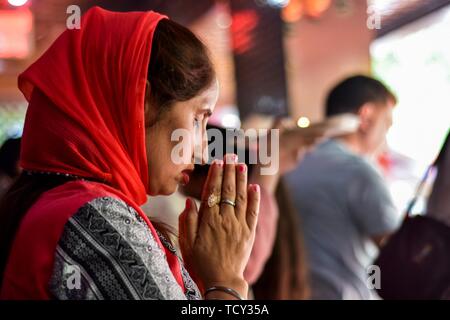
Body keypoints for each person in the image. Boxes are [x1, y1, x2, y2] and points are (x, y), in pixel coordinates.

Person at [0, 7, 260, 300]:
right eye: (198, 118)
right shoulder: (92, 218)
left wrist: (200, 284)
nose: (203, 150)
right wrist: (225, 281)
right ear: (143, 102)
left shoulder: (68, 205)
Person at [286, 75, 401, 300]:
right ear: (366, 117)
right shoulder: (359, 171)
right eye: (386, 124)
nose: (385, 139)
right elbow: (396, 252)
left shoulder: (293, 164)